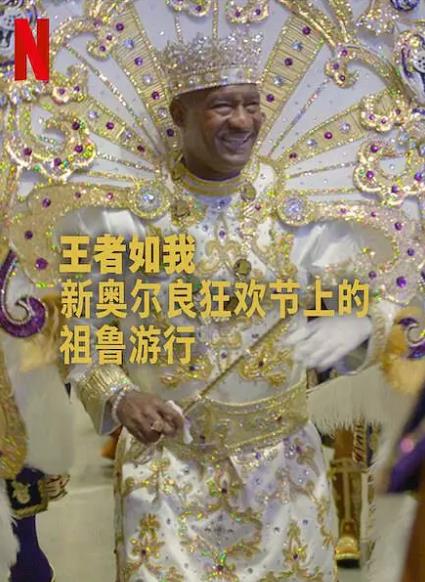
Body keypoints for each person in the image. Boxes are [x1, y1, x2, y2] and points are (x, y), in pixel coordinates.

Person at [57, 31, 411, 580]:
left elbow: (370, 299)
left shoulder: (297, 207)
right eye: (223, 106)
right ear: (179, 113)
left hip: (285, 476)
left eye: (251, 104)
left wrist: (357, 324)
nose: (242, 121)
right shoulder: (121, 217)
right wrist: (119, 394)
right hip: (167, 473)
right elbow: (83, 329)